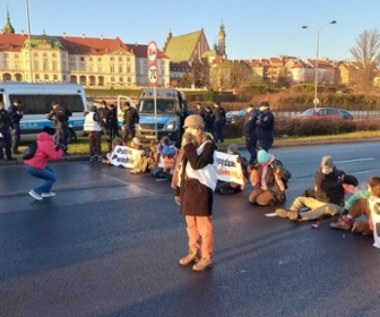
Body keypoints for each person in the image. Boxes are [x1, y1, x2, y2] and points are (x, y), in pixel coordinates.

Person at [175, 114, 217, 272]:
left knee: (204, 227)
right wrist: (178, 191)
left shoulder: (208, 145)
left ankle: (206, 256)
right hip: (188, 189)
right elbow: (182, 168)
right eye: (186, 129)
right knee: (190, 225)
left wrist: (187, 146)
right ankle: (194, 252)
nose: (188, 132)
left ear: (199, 129)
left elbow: (197, 164)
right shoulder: (190, 145)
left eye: (191, 128)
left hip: (201, 190)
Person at [275, 155, 358, 221]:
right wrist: (339, 182)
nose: (325, 170)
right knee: (300, 199)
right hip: (320, 201)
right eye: (324, 168)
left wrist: (345, 178)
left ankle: (300, 216)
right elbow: (324, 187)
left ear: (332, 167)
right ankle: (291, 212)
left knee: (326, 208)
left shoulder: (339, 174)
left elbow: (355, 181)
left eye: (328, 168)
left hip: (335, 204)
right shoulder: (319, 174)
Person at [24, 126, 64, 200]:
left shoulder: (41, 140)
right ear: (51, 135)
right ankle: (36, 191)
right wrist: (61, 150)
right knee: (52, 178)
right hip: (34, 167)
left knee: (52, 173)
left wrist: (56, 149)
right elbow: (55, 157)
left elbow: (45, 153)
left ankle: (46, 192)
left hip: (30, 164)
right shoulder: (47, 142)